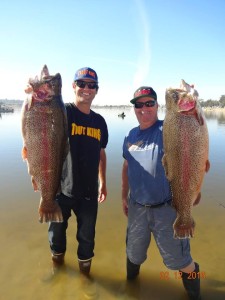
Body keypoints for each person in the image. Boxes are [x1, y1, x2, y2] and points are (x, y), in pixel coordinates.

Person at [121, 86, 201, 300]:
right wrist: (123, 195)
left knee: (182, 263)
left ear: (158, 106)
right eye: (139, 104)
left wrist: (191, 103)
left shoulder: (168, 129)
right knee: (133, 255)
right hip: (137, 208)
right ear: (134, 108)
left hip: (167, 209)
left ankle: (195, 295)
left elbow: (190, 134)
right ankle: (131, 290)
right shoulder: (130, 135)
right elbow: (127, 166)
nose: (144, 108)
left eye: (149, 103)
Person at [48, 67, 108, 276]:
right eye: (81, 84)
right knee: (56, 238)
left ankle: (85, 280)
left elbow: (101, 154)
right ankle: (58, 272)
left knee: (87, 240)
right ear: (73, 86)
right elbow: (44, 110)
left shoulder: (100, 122)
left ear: (96, 90)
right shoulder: (63, 112)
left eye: (91, 85)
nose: (86, 89)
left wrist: (103, 182)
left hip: (89, 193)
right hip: (60, 189)